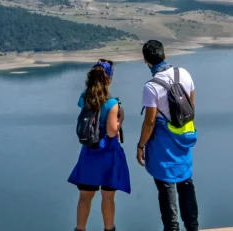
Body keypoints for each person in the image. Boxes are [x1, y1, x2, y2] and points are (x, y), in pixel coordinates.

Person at [136, 39, 199, 231]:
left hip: (163, 143)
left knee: (166, 186)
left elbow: (150, 121)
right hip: (184, 137)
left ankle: (172, 228)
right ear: (165, 55)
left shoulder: (151, 86)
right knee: (186, 182)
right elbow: (192, 105)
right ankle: (193, 226)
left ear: (146, 61)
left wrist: (140, 146)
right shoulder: (184, 73)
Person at [68, 59, 131, 231]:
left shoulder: (84, 98)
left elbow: (85, 107)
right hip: (107, 154)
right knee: (108, 197)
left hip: (89, 152)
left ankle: (80, 229)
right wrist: (121, 118)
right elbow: (112, 131)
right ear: (108, 79)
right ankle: (109, 228)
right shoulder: (112, 104)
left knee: (85, 196)